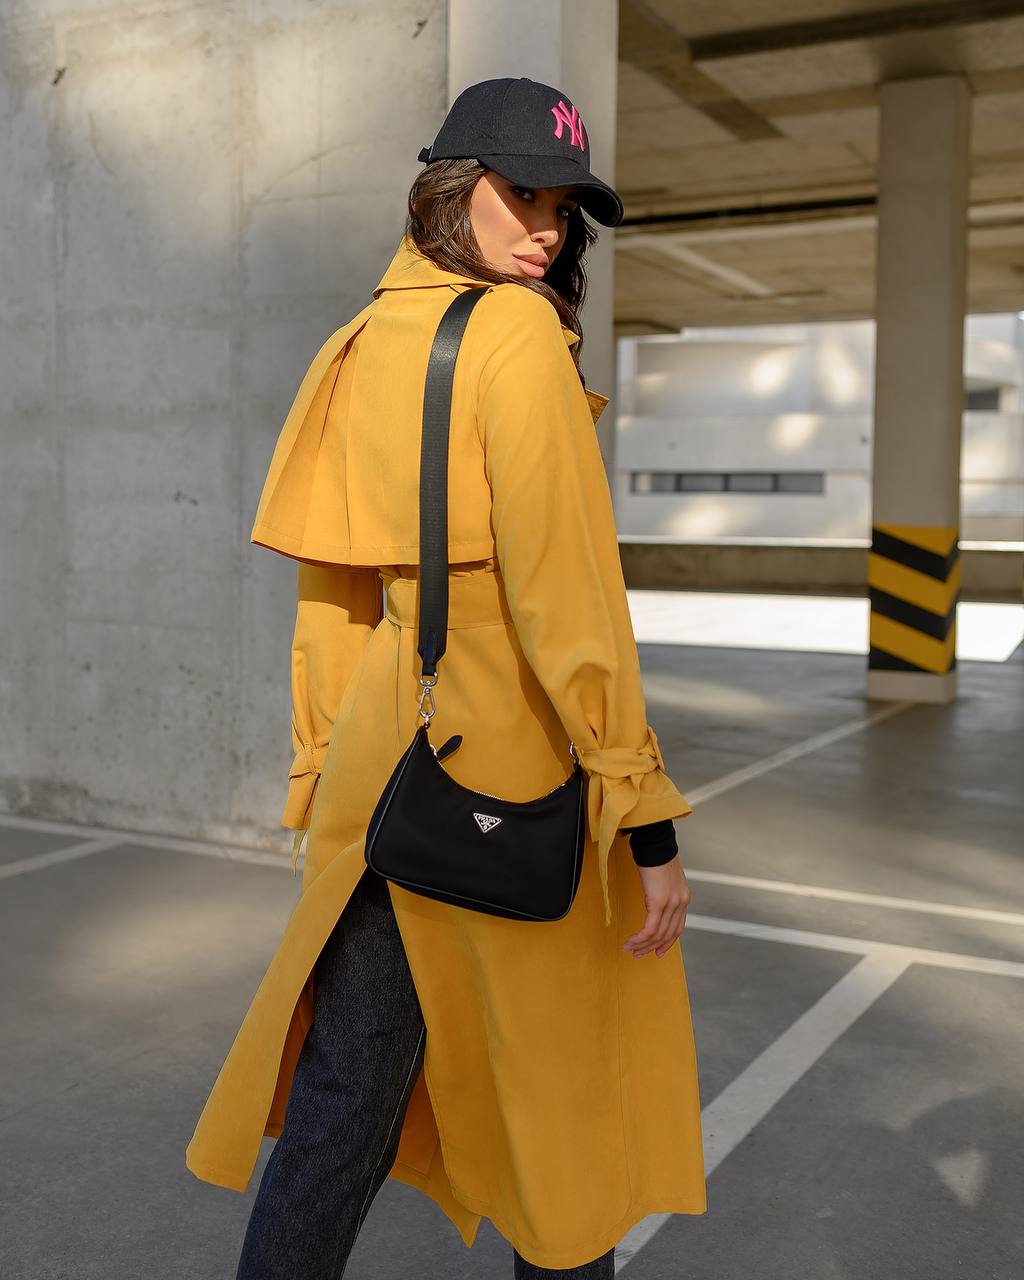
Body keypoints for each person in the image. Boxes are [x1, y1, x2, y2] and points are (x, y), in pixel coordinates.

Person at [186, 77, 707, 1278]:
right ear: (446, 186)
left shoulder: (356, 341)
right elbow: (568, 600)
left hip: (384, 782)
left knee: (344, 1099)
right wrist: (640, 804)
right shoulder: (516, 337)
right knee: (560, 1111)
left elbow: (332, 595)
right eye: (520, 192)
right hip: (517, 780)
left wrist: (320, 764)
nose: (545, 228)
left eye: (563, 207)